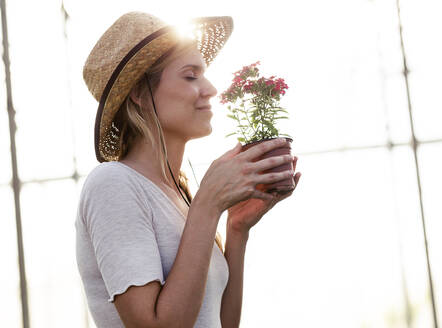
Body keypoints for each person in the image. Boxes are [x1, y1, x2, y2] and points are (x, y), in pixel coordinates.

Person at [75, 12, 301, 328]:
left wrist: (236, 229)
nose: (210, 89)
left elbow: (219, 322)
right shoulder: (113, 184)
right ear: (140, 93)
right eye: (190, 75)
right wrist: (208, 205)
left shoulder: (181, 195)